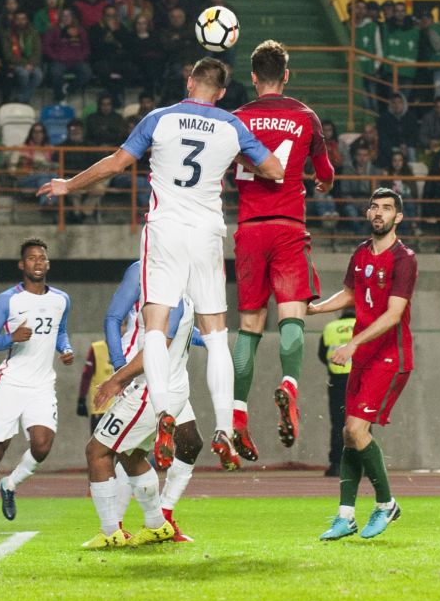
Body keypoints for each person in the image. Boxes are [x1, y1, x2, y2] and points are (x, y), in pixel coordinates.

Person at [37, 58, 282, 472]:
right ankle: (225, 428)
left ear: (190, 82)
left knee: (155, 324)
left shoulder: (159, 119)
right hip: (206, 231)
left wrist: (68, 184)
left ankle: (164, 412)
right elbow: (274, 169)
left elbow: (117, 163)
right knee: (218, 333)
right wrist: (234, 160)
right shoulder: (232, 126)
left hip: (165, 229)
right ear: (222, 93)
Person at [228, 40, 336, 461]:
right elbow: (325, 172)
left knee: (250, 324)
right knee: (292, 315)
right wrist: (322, 181)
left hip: (249, 230)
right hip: (288, 226)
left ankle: (238, 415)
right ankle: (289, 386)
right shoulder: (305, 116)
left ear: (254, 77)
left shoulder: (236, 120)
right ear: (286, 75)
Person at [307, 188, 417, 541]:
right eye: (375, 207)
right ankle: (346, 516)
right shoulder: (359, 252)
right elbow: (351, 294)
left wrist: (352, 343)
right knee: (348, 434)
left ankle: (386, 504)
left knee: (356, 432)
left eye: (387, 208)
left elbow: (394, 314)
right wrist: (316, 308)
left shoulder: (404, 259)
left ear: (398, 217)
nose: (379, 213)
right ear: (368, 213)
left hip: (391, 356)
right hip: (365, 357)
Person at [82, 260, 204, 548]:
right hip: (172, 388)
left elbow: (155, 349)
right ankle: (157, 524)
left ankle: (111, 531)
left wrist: (118, 378)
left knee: (97, 452)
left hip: (150, 390)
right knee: (131, 454)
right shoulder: (183, 292)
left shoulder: (167, 296)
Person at [0, 238, 73, 534]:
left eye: (42, 258)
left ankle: (10, 484)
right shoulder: (7, 300)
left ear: (48, 264)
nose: (37, 262)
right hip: (11, 382)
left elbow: (61, 331)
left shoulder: (61, 299)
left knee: (42, 446)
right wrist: (10, 338)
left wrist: (65, 349)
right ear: (21, 265)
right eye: (31, 258)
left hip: (42, 385)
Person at [318, 310, 355, 477]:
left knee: (339, 421)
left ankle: (337, 464)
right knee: (362, 422)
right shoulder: (364, 326)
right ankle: (363, 464)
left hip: (338, 380)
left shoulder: (330, 327)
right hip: (360, 378)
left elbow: (322, 354)